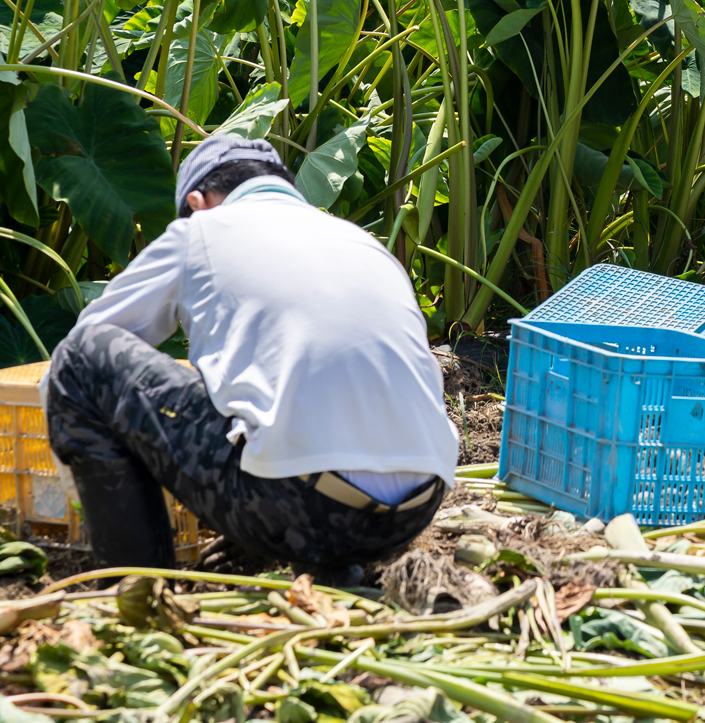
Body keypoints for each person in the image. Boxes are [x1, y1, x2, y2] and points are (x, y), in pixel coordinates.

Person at [41, 135, 460, 581]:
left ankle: (136, 586)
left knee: (81, 361)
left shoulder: (200, 231)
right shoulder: (361, 243)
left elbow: (80, 357)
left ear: (198, 203)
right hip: (412, 511)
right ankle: (326, 562)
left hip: (301, 510)